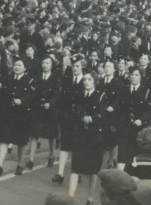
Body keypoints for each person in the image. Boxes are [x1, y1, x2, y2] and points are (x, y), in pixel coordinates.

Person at [68, 72, 108, 205]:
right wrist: (80, 119)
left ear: (95, 81)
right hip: (79, 135)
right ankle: (70, 198)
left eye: (89, 79)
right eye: (84, 79)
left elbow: (103, 113)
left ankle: (90, 198)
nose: (86, 81)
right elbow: (73, 111)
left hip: (95, 137)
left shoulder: (101, 96)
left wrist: (92, 118)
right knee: (75, 167)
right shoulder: (78, 95)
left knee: (93, 170)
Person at [0, 57, 34, 176]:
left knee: (21, 142)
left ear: (25, 68)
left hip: (22, 115)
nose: (16, 67)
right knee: (4, 140)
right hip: (7, 114)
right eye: (15, 65)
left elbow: (32, 96)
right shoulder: (7, 79)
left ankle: (20, 164)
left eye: (19, 65)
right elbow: (1, 96)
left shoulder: (29, 80)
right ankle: (0, 165)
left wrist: (22, 100)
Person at [52, 53, 85, 184]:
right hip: (67, 118)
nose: (75, 68)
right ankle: (60, 173)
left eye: (77, 66)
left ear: (82, 67)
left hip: (80, 120)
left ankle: (78, 171)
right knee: (65, 146)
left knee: (78, 146)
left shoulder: (85, 81)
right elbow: (62, 99)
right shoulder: (67, 81)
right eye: (73, 66)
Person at [117, 67, 151, 170]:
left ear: (141, 77)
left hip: (139, 129)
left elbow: (149, 111)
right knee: (122, 154)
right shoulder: (123, 90)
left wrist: (141, 120)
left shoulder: (146, 92)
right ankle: (121, 177)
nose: (133, 77)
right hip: (125, 127)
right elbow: (119, 108)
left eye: (136, 75)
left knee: (136, 153)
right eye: (132, 74)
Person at [27, 54, 60, 169]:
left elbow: (56, 94)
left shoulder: (55, 78)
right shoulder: (37, 77)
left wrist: (50, 103)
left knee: (51, 135)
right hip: (37, 109)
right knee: (34, 134)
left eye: (47, 63)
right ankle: (31, 159)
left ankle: (51, 155)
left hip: (50, 110)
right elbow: (32, 93)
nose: (45, 65)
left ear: (52, 65)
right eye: (43, 63)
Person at [98, 60, 121, 169]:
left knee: (113, 139)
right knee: (102, 137)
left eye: (109, 66)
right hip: (102, 114)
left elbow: (119, 98)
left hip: (113, 115)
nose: (107, 68)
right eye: (105, 66)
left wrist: (113, 106)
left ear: (114, 69)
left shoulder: (117, 82)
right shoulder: (100, 81)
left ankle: (111, 160)